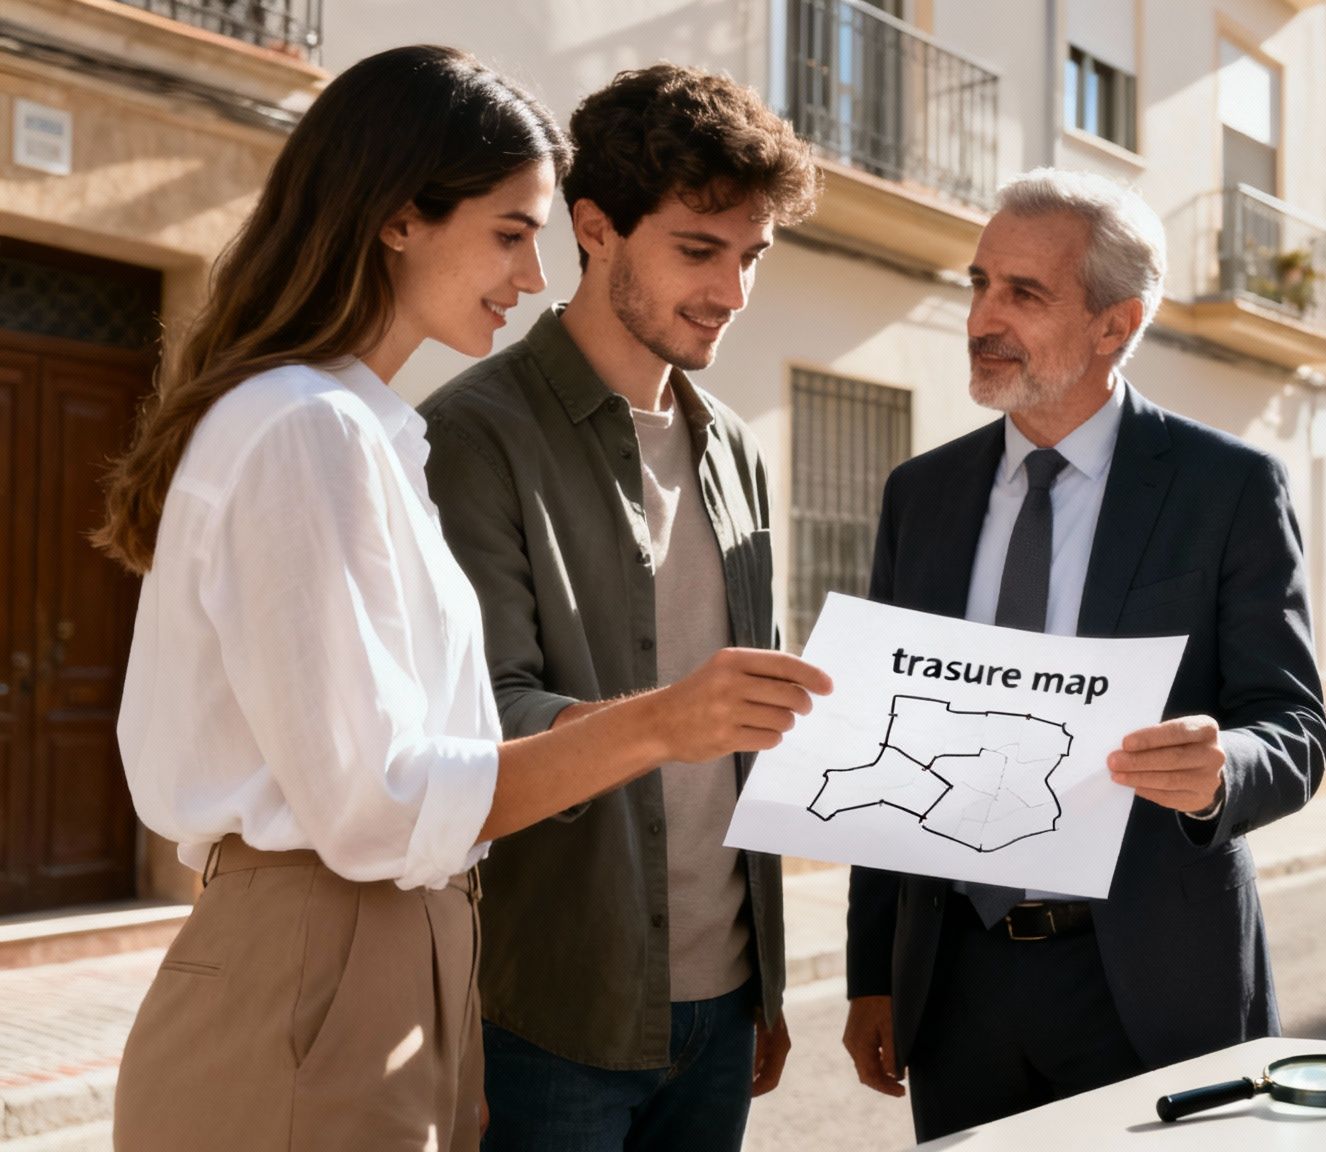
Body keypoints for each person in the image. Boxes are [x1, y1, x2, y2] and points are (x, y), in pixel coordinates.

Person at [94, 45, 828, 1151]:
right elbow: (380, 802)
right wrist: (665, 722)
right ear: (397, 217)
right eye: (508, 233)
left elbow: (436, 750)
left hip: (395, 953)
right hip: (325, 955)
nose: (531, 278)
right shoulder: (312, 429)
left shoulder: (364, 429)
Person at [839, 168, 1326, 1141]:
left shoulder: (1223, 489)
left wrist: (1217, 768)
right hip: (958, 987)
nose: (983, 316)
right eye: (980, 284)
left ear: (1115, 324)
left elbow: (1296, 729)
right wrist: (871, 976)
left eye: (1023, 294)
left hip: (1147, 989)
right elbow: (880, 735)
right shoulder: (921, 497)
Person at [418, 64, 819, 1152]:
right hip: (553, 1016)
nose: (730, 293)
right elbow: (475, 724)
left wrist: (763, 979)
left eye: (750, 258)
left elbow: (753, 728)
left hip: (727, 1003)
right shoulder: (469, 436)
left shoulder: (734, 446)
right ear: (594, 228)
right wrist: (662, 718)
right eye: (698, 250)